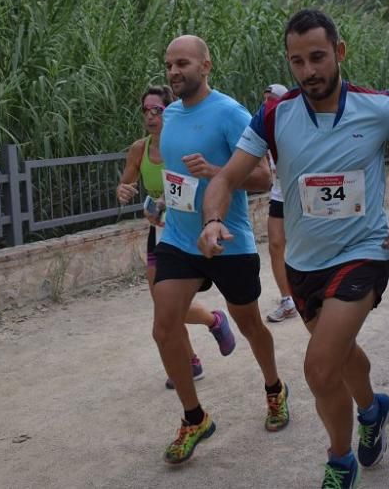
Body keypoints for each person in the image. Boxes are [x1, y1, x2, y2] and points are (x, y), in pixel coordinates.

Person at [198, 9, 389, 489]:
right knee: (342, 353)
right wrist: (211, 219)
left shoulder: (378, 108)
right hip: (303, 265)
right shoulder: (275, 114)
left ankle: (339, 461)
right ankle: (373, 410)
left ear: (339, 52)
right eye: (297, 61)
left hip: (362, 254)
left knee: (318, 365)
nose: (309, 71)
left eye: (317, 57)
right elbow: (227, 177)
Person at [153, 35, 287, 466]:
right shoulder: (170, 115)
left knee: (249, 323)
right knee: (164, 325)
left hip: (228, 240)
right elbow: (175, 180)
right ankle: (195, 418)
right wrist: (162, 204)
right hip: (178, 237)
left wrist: (218, 173)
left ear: (206, 65)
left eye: (184, 63)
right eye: (170, 64)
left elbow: (264, 178)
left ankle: (274, 387)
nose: (175, 72)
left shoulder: (231, 113)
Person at [116, 86, 230, 389]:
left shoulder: (181, 144)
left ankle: (214, 320)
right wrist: (123, 190)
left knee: (173, 306)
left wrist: (169, 202)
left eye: (158, 110)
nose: (151, 116)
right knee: (163, 306)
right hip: (160, 232)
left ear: (171, 111)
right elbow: (125, 182)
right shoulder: (139, 149)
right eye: (146, 110)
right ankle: (191, 359)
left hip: (188, 229)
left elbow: (198, 184)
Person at [262, 83, 298, 323]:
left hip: (303, 196)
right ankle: (287, 300)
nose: (266, 104)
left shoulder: (298, 126)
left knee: (305, 246)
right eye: (264, 100)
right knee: (275, 245)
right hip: (279, 195)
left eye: (271, 99)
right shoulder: (264, 128)